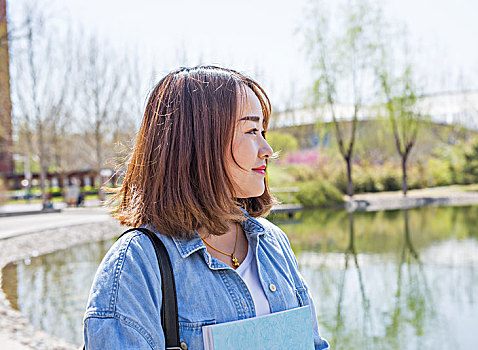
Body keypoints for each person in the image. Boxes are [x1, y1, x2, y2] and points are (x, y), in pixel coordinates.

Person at [83, 66, 329, 349]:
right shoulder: (136, 265)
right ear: (198, 143)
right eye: (251, 131)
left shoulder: (272, 242)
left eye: (262, 131)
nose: (267, 149)